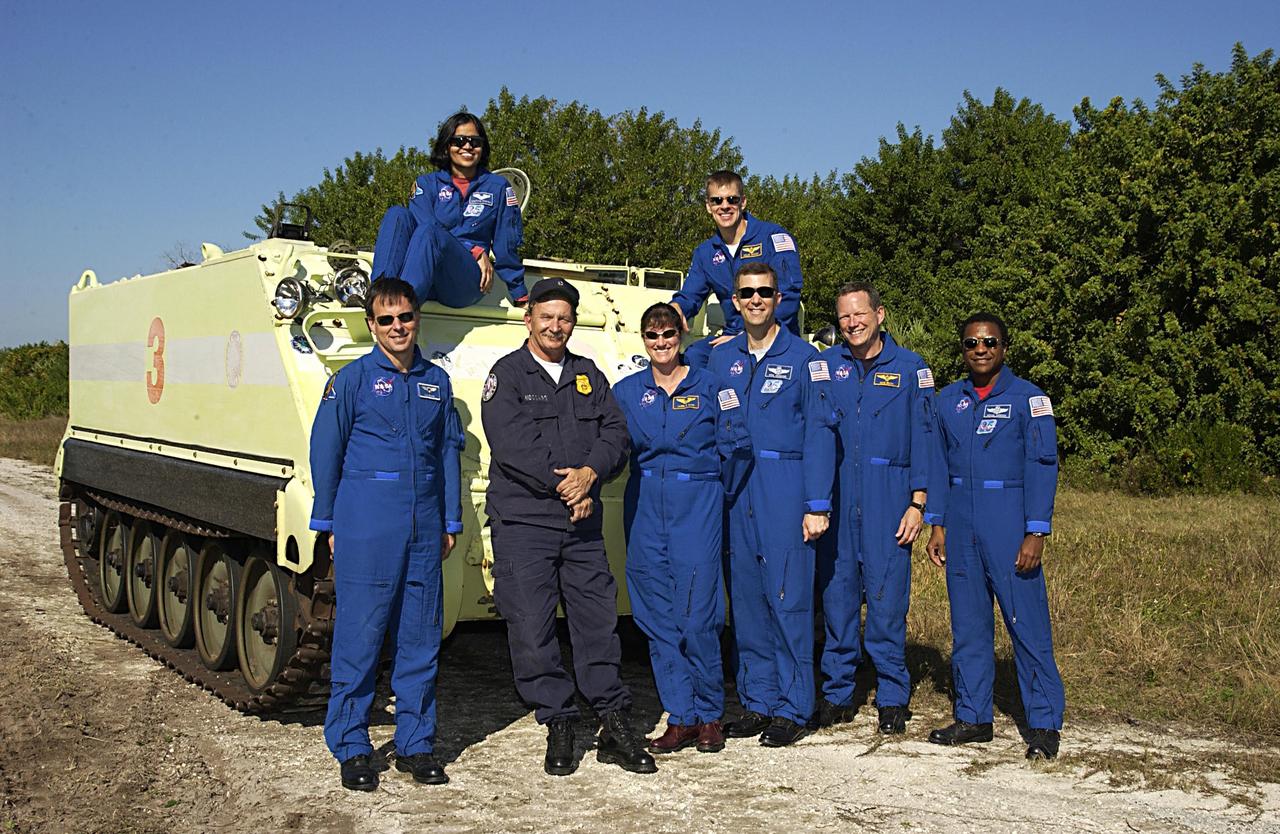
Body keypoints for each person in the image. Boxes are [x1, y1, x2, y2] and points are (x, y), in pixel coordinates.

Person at [480, 277, 656, 776]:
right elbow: (512, 445)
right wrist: (569, 487)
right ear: (528, 318)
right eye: (547, 316)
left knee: (597, 625)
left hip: (580, 526)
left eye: (565, 318)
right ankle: (558, 718)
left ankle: (614, 721)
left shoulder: (587, 374)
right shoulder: (507, 375)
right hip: (525, 522)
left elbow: (616, 432)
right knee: (532, 628)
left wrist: (591, 474)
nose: (556, 326)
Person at [308, 278, 464, 791]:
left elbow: (446, 454)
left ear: (418, 319)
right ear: (372, 325)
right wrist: (327, 521)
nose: (398, 327)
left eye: (406, 317)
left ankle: (415, 744)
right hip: (367, 520)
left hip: (423, 522)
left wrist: (449, 520)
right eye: (387, 319)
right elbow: (325, 452)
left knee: (420, 636)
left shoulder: (435, 383)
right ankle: (351, 745)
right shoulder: (349, 380)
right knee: (361, 635)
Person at [924, 313, 1066, 760]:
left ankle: (1043, 724)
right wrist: (938, 524)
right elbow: (939, 467)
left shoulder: (1029, 400)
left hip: (1009, 521)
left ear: (1004, 347)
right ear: (962, 349)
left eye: (989, 342)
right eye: (971, 343)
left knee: (1026, 625)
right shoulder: (949, 401)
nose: (980, 349)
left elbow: (1043, 467)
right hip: (961, 522)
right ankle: (973, 716)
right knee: (968, 625)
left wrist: (1036, 530)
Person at [709, 262, 835, 747]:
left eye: (764, 291)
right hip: (737, 489)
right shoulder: (723, 360)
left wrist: (817, 503)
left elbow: (821, 434)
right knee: (747, 601)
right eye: (747, 293)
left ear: (779, 299)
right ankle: (758, 700)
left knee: (788, 597)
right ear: (735, 302)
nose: (756, 299)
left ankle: (795, 705)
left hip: (786, 484)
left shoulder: (805, 359)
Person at [815, 283, 937, 734]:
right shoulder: (824, 367)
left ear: (879, 314)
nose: (852, 323)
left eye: (860, 314)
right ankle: (838, 692)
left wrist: (918, 502)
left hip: (890, 500)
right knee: (838, 601)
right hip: (838, 498)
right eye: (844, 317)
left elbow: (927, 439)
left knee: (887, 604)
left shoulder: (910, 369)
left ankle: (891, 695)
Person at [614, 302, 727, 755]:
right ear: (643, 340)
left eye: (667, 334)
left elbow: (735, 450)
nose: (661, 343)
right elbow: (607, 443)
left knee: (698, 616)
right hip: (644, 507)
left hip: (696, 505)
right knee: (656, 618)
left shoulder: (711, 387)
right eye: (651, 335)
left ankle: (711, 714)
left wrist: (714, 500)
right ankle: (680, 716)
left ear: (680, 334)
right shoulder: (626, 391)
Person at [372, 112, 528, 308]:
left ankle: (400, 309)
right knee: (397, 214)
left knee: (431, 232)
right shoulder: (426, 185)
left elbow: (506, 244)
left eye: (475, 141)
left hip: (464, 282)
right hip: (424, 276)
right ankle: (378, 297)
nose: (468, 146)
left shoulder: (498, 187)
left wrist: (520, 293)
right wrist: (475, 251)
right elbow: (423, 228)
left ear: (483, 147)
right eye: (459, 140)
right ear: (446, 145)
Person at [672, 170, 804, 369]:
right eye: (717, 201)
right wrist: (674, 309)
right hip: (732, 337)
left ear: (743, 202)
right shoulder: (706, 253)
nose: (724, 206)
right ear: (709, 206)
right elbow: (689, 297)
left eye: (731, 199)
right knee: (692, 359)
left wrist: (747, 337)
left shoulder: (773, 238)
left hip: (776, 339)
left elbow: (789, 298)